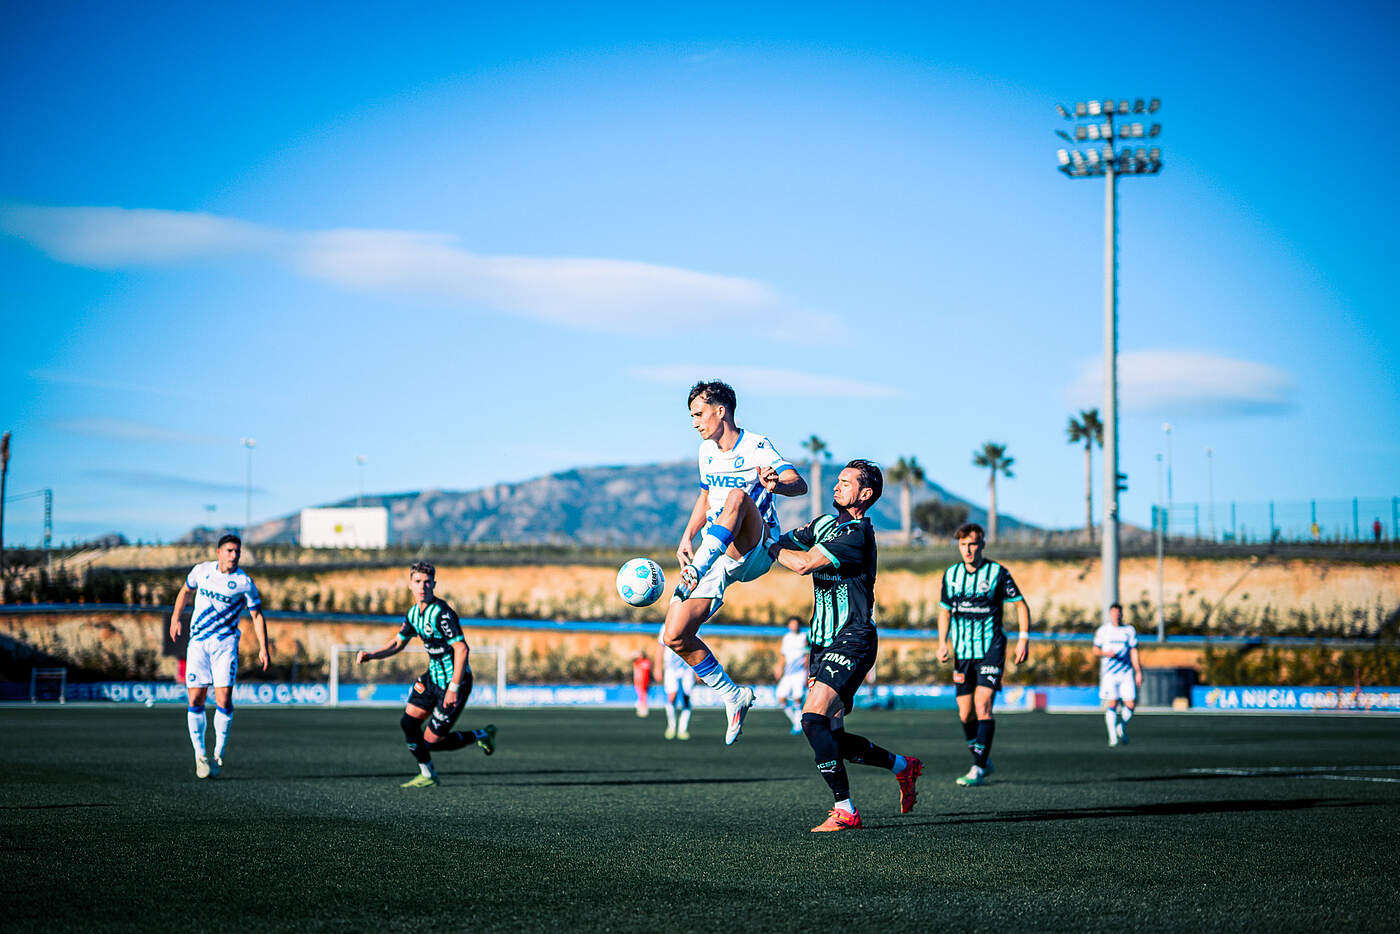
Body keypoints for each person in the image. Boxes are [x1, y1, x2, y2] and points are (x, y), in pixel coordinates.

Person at [769, 460, 922, 832]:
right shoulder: (823, 524)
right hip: (821, 644)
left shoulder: (857, 534)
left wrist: (766, 546)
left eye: (845, 482)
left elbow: (802, 563)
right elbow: (781, 541)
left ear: (865, 494)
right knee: (832, 738)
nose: (836, 486)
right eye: (836, 480)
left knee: (811, 720)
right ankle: (903, 766)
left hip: (853, 638)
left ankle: (845, 810)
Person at [661, 380, 806, 745]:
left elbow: (797, 482)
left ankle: (698, 567)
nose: (694, 422)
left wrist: (776, 484)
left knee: (738, 496)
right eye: (692, 416)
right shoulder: (705, 452)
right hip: (716, 550)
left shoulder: (756, 445)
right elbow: (706, 496)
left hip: (755, 547)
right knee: (674, 635)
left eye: (698, 414)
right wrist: (687, 535)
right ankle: (733, 696)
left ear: (720, 410)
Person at [357, 561, 495, 788]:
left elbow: (462, 650)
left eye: (427, 582)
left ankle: (481, 735)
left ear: (434, 585)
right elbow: (398, 643)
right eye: (418, 581)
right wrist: (372, 655)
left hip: (454, 683)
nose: (423, 586)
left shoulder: (442, 613)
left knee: (432, 741)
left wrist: (453, 688)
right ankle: (428, 774)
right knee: (408, 724)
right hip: (432, 679)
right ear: (410, 584)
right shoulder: (413, 614)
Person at [936, 522, 1031, 787]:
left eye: (973, 544)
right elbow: (944, 610)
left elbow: (1021, 605)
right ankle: (983, 759)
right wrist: (942, 642)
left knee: (983, 705)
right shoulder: (951, 574)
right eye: (963, 544)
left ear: (982, 545)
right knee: (965, 714)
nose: (968, 549)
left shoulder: (998, 573)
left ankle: (977, 767)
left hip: (991, 649)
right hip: (962, 653)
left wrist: (1024, 638)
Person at [168, 533, 269, 779]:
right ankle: (200, 754)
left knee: (223, 699)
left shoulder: (244, 583)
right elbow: (185, 591)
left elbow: (257, 615)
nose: (234, 555)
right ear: (219, 552)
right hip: (198, 644)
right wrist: (175, 618)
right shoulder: (201, 571)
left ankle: (218, 753)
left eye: (237, 552)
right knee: (196, 698)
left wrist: (263, 647)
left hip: (225, 645)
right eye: (229, 551)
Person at [1093, 603, 1142, 746]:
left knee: (1130, 704)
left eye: (1118, 613)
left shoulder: (1129, 630)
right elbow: (1095, 650)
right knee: (1112, 703)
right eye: (1113, 613)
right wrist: (1106, 653)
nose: (1116, 615)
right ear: (1110, 614)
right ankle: (1112, 736)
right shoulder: (1103, 631)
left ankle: (1121, 726)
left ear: (1121, 614)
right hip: (1110, 674)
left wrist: (1138, 671)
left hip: (1126, 673)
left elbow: (1134, 651)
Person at [774, 615, 809, 734]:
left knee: (797, 698)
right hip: (788, 673)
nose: (794, 626)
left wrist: (807, 673)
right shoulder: (787, 638)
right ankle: (797, 722)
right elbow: (783, 655)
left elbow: (808, 655)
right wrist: (779, 668)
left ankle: (798, 725)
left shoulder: (804, 636)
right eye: (792, 624)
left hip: (800, 672)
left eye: (796, 624)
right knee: (781, 698)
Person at [660, 646, 695, 740]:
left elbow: (697, 649)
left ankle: (682, 729)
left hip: (687, 668)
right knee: (672, 696)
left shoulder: (696, 634)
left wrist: (698, 670)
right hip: (671, 668)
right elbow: (660, 647)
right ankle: (671, 726)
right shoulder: (664, 634)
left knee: (686, 698)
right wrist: (658, 667)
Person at [632, 650, 653, 717]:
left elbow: (647, 669)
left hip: (644, 681)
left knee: (644, 694)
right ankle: (641, 707)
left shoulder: (646, 662)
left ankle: (644, 708)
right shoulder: (636, 662)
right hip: (638, 681)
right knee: (640, 694)